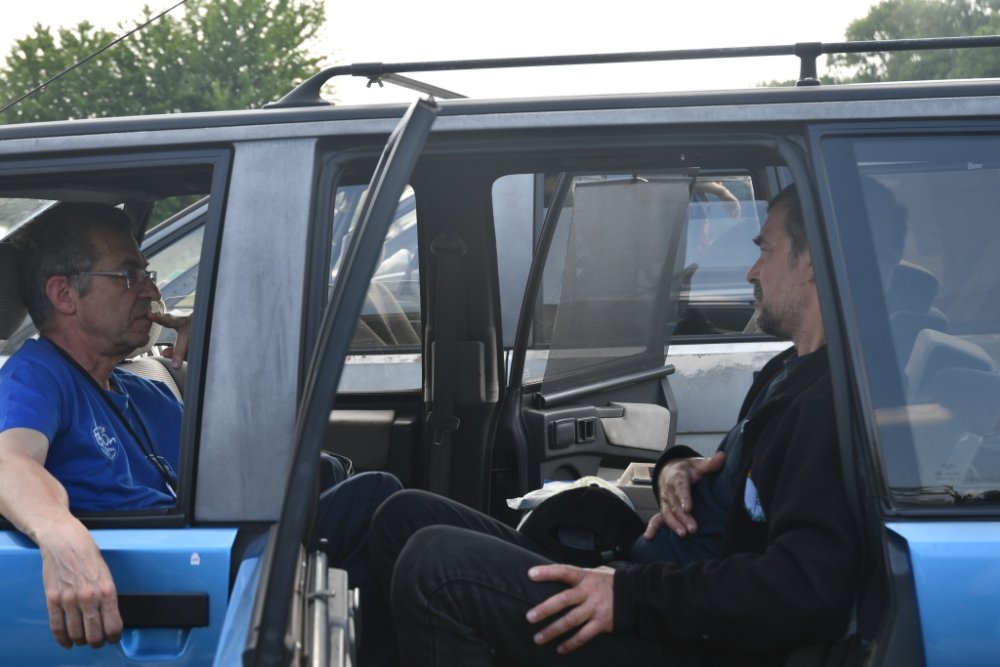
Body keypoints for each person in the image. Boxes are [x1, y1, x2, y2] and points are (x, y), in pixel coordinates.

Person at [368, 183, 863, 666]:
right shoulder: (785, 371)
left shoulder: (824, 406)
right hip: (648, 581)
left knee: (437, 565)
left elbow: (801, 589)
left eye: (766, 251)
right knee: (403, 515)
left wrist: (628, 596)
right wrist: (676, 467)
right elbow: (734, 480)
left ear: (813, 261)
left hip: (678, 631)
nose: (752, 271)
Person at [0, 203, 400, 657]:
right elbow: (9, 462)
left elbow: (248, 471)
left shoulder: (145, 390)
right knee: (378, 499)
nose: (153, 291)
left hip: (222, 556)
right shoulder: (37, 375)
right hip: (179, 574)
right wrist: (62, 537)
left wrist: (219, 351)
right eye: (130, 276)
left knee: (337, 478)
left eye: (148, 274)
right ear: (64, 294)